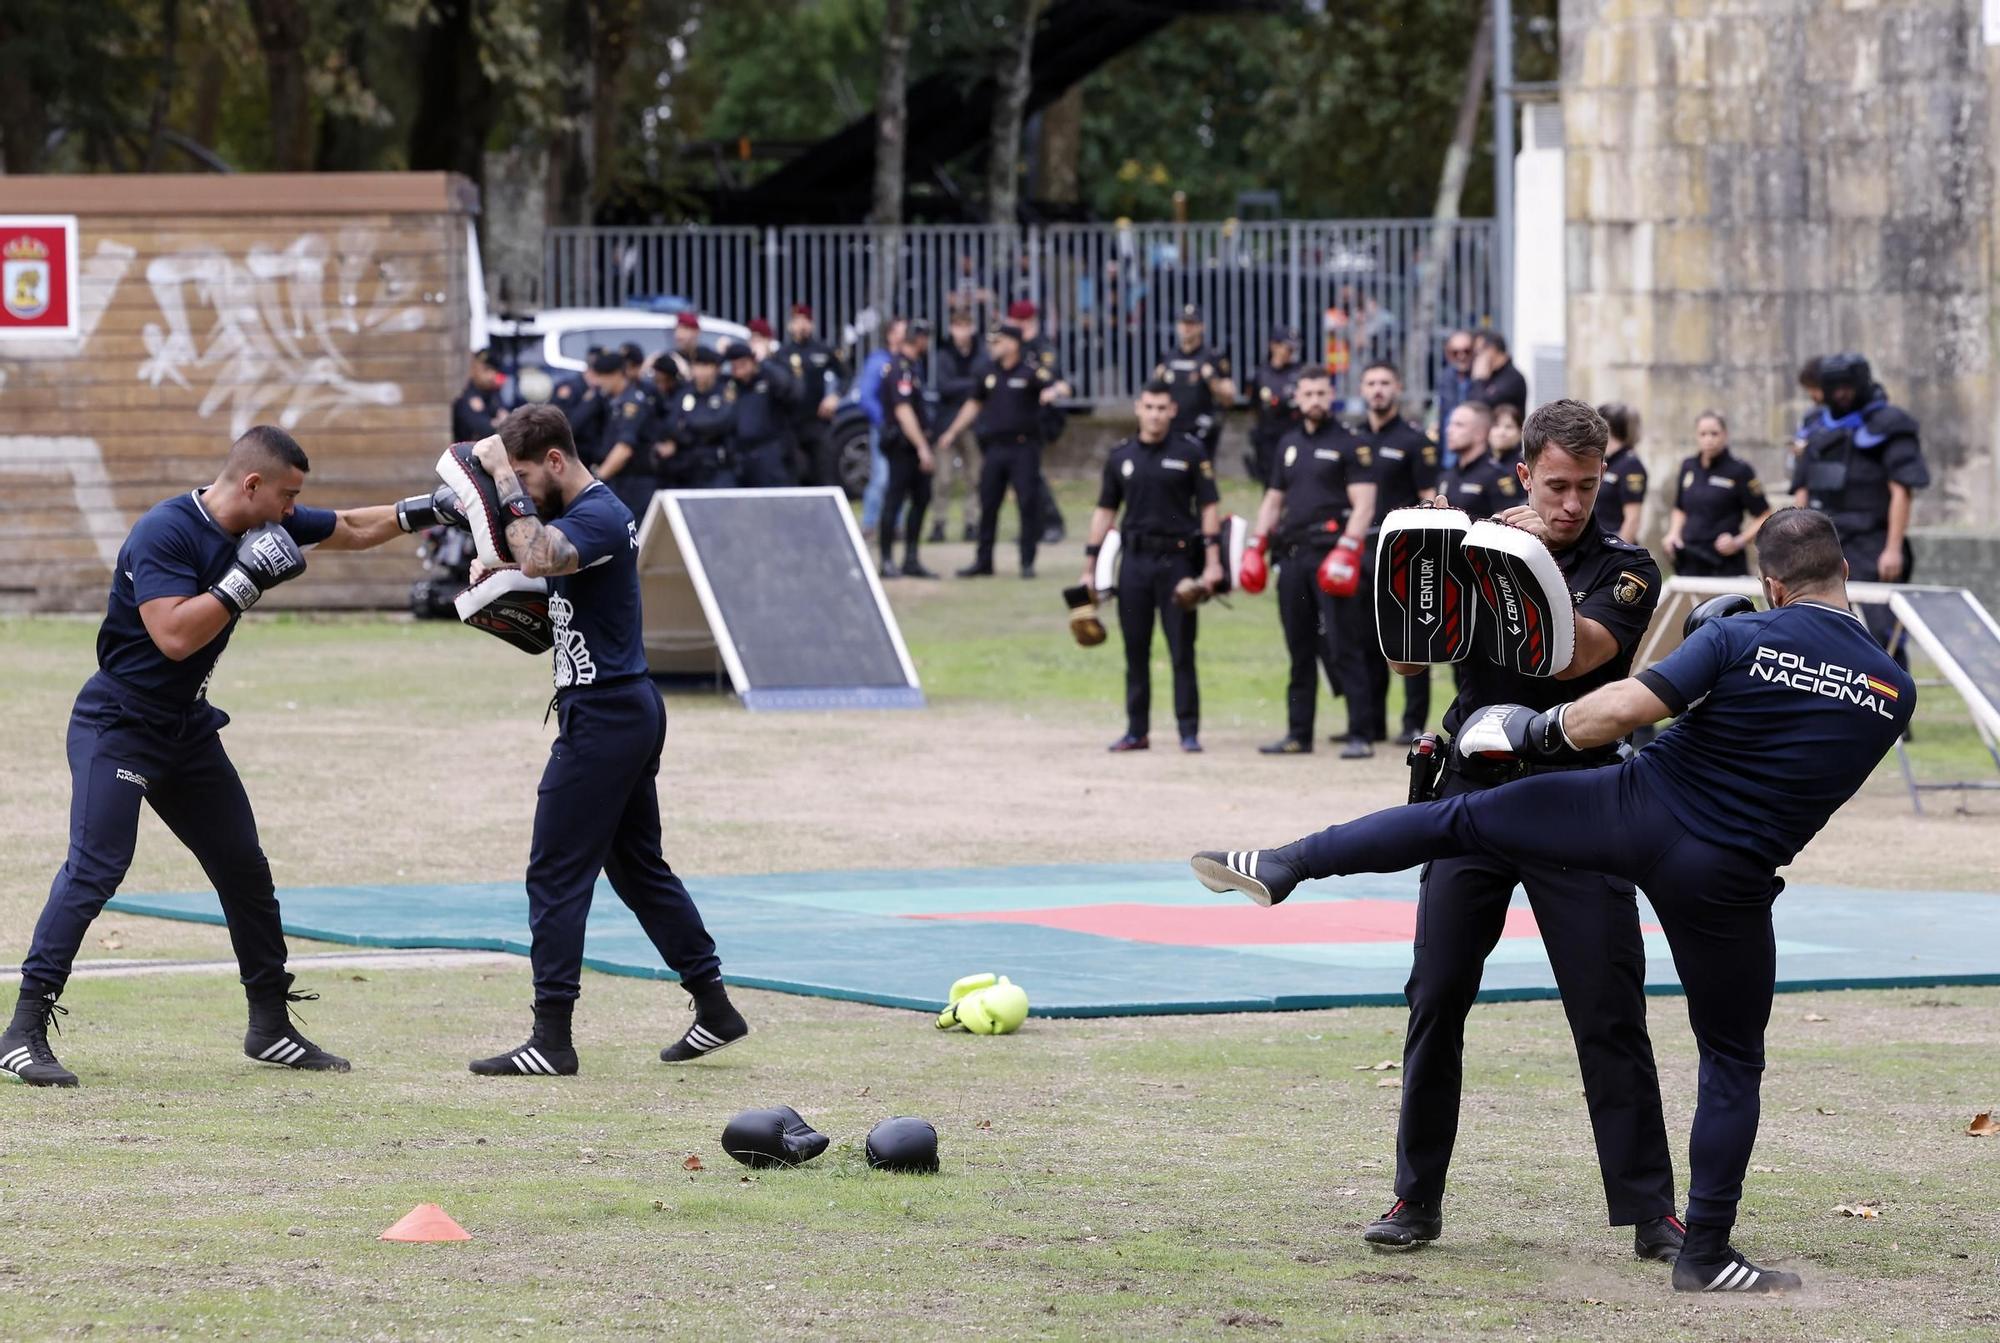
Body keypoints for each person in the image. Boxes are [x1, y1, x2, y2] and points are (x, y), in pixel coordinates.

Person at [1195, 506, 1915, 1296]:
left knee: (1460, 819)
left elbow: (1622, 710)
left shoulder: (1739, 636)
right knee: (1732, 1060)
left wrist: (1537, 733)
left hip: (1636, 806)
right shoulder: (1894, 690)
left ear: (1771, 584)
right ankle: (1704, 1251)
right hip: (1731, 877)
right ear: (1844, 572)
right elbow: (1792, 756)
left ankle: (1288, 860)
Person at [1201, 398, 1683, 1264]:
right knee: (1436, 998)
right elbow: (1406, 655)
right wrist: (1420, 561)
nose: (1573, 501)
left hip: (1578, 798)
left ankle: (1653, 1213)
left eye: (1588, 484)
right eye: (1557, 485)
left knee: (1608, 1009)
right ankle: (1414, 1198)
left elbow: (1573, 658)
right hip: (1473, 786)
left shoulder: (1628, 565)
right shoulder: (1473, 541)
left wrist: (1507, 564)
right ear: (1524, 473)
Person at [0, 426, 465, 1087]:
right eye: (286, 497)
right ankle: (22, 1029)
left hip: (185, 729)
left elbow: (355, 528)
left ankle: (270, 1025)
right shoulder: (168, 531)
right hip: (120, 724)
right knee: (97, 865)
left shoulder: (266, 515)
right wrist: (246, 578)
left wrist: (429, 508)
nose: (290, 512)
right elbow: (173, 636)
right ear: (253, 484)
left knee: (243, 867)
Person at [465, 409, 747, 1076]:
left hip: (607, 717)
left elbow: (540, 550)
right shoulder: (583, 516)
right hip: (618, 708)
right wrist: (497, 575)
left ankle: (552, 1040)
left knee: (555, 872)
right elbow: (539, 562)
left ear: (555, 462)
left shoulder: (597, 511)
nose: (522, 490)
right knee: (637, 868)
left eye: (528, 475)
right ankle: (715, 1006)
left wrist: (501, 474)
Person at [1081, 380, 1224, 754]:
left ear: (1172, 410)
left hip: (1178, 562)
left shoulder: (1192, 453)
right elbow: (1105, 512)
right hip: (1135, 563)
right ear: (1138, 409)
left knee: (1181, 649)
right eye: (1150, 407)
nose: (1156, 414)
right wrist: (1089, 567)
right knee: (1135, 649)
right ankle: (1136, 730)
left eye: (1163, 407)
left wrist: (1212, 563)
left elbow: (1209, 507)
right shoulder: (1120, 456)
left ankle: (1188, 730)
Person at [1245, 367, 1377, 754]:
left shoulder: (1350, 443)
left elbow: (1364, 502)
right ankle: (1298, 734)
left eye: (1321, 393)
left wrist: (1348, 548)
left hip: (1332, 555)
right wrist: (1257, 542)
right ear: (1297, 398)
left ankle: (1360, 734)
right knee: (1298, 647)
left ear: (1331, 395)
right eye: (1308, 394)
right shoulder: (1287, 443)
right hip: (1293, 556)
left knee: (1344, 645)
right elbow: (1273, 499)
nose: (1315, 400)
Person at [1791, 353, 1929, 663]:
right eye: (1833, 387)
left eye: (1846, 387)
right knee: (1816, 626)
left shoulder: (1890, 424)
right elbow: (1803, 489)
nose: (1840, 394)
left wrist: (1892, 549)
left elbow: (1901, 490)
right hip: (1824, 538)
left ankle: (1892, 705)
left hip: (1872, 542)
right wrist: (1795, 541)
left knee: (1882, 633)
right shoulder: (1814, 426)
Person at [1337, 361, 1439, 756]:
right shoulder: (1353, 439)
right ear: (1362, 389)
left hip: (1404, 550)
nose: (1378, 390)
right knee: (1365, 636)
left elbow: (1429, 496)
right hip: (1362, 547)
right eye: (1371, 383)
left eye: (1384, 383)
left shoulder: (1415, 441)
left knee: (1411, 637)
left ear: (1397, 387)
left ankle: (1413, 722)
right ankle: (1372, 720)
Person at [936, 322, 1060, 580]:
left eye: (998, 341)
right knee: (988, 503)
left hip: (1024, 447)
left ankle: (1027, 561)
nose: (993, 346)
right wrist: (952, 431)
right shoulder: (987, 372)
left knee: (1027, 502)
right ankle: (983, 561)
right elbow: (973, 404)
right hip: (994, 448)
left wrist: (1054, 391)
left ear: (1013, 344)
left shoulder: (1030, 372)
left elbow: (1057, 386)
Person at [1663, 412, 1771, 577]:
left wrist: (1738, 541)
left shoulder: (1740, 470)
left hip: (1723, 563)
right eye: (1703, 434)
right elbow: (1680, 508)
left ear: (1725, 435)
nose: (1708, 439)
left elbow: (1764, 515)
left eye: (1714, 433)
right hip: (1689, 559)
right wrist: (1673, 534)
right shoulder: (1688, 466)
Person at [876, 320, 939, 580]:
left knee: (921, 498)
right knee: (894, 500)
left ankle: (911, 558)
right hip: (903, 446)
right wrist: (922, 447)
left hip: (912, 445)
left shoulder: (913, 367)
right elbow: (903, 412)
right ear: (920, 339)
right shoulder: (899, 368)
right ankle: (887, 560)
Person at [1011, 299, 1074, 544]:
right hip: (1021, 417)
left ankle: (1052, 522)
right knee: (1024, 476)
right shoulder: (1018, 346)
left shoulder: (1042, 348)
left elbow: (1057, 383)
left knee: (1032, 474)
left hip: (1040, 419)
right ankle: (1033, 526)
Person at [930, 307, 988, 543]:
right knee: (943, 477)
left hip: (974, 424)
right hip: (947, 423)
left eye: (966, 326)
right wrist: (971, 385)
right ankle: (939, 523)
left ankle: (972, 522)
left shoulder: (981, 352)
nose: (962, 332)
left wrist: (966, 385)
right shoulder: (944, 354)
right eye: (958, 326)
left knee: (975, 476)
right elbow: (945, 386)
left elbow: (983, 384)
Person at [1153, 303, 1236, 460]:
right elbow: (1155, 391)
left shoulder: (1213, 357)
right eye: (1183, 323)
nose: (1187, 328)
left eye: (1191, 323)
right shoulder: (1168, 356)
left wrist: (1212, 380)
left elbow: (1228, 400)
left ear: (1201, 327)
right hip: (1172, 428)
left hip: (1201, 429)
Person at [778, 303, 847, 489]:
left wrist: (835, 396)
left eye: (806, 321)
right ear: (790, 325)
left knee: (823, 473)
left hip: (818, 422)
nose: (802, 325)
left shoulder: (823, 351)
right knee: (794, 474)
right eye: (797, 321)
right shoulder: (781, 354)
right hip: (790, 424)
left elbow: (845, 377)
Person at [586, 349, 658, 520]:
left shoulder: (632, 403)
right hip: (621, 481)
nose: (598, 382)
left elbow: (624, 449)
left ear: (616, 375)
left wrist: (597, 482)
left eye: (602, 376)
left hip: (635, 484)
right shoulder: (614, 402)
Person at [725, 339, 799, 488]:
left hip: (771, 452)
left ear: (753, 362)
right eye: (735, 367)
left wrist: (764, 362)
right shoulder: (733, 387)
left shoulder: (768, 379)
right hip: (742, 454)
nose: (739, 371)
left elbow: (787, 387)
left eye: (743, 365)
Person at [855, 319, 904, 537]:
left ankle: (896, 525)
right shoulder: (879, 361)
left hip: (905, 429)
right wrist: (884, 421)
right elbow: (866, 396)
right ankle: (870, 523)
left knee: (900, 478)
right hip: (885, 428)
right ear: (891, 334)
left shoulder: (907, 361)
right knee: (881, 477)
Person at [662, 347, 738, 488]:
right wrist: (689, 434)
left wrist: (687, 424)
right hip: (689, 467)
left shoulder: (724, 392)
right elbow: (671, 424)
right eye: (697, 366)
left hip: (717, 467)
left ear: (715, 369)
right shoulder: (685, 392)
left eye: (705, 366)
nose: (700, 372)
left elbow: (721, 422)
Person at [1435, 401, 1516, 522]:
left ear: (1480, 433)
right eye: (1450, 424)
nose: (1449, 430)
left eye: (1459, 425)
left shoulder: (1497, 477)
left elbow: (1508, 527)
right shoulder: (1445, 476)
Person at [1245, 325, 1305, 485]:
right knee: (1270, 481)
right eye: (1287, 347)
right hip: (1268, 437)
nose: (1291, 352)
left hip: (1293, 433)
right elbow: (1253, 407)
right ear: (1274, 345)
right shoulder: (1261, 374)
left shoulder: (1300, 372)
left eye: (1293, 348)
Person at [1593, 403, 1648, 543]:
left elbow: (1633, 520)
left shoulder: (1630, 464)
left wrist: (1618, 556)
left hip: (1615, 544)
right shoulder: (1607, 460)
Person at [453, 349, 508, 442]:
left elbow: (507, 420)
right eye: (486, 370)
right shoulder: (468, 396)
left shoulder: (494, 393)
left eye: (493, 370)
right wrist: (497, 423)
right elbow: (484, 429)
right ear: (474, 369)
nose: (491, 375)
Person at [1468, 330, 1528, 414]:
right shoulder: (1489, 374)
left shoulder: (1513, 378)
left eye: (1478, 351)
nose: (1476, 357)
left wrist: (1478, 380)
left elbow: (1479, 409)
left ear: (1491, 349)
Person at [1434, 330, 1477, 435]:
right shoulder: (1444, 377)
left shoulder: (1481, 377)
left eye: (1467, 351)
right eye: (1455, 352)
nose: (1461, 356)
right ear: (1448, 354)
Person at [1488, 401, 1524, 473]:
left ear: (1520, 432)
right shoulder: (1478, 464)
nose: (1501, 432)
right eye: (1496, 425)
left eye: (1509, 427)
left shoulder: (1522, 468)